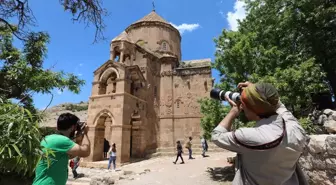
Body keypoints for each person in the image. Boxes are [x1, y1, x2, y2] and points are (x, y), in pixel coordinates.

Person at [211, 81, 309, 185]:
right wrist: (259, 91)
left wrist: (233, 112)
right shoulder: (295, 128)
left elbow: (217, 135)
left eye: (243, 104)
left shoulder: (250, 136)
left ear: (249, 108)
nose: (242, 107)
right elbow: (279, 106)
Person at [33, 113, 91, 185]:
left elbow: (71, 155)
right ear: (73, 127)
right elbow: (86, 152)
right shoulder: (62, 140)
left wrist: (79, 139)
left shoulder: (49, 138)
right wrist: (85, 133)